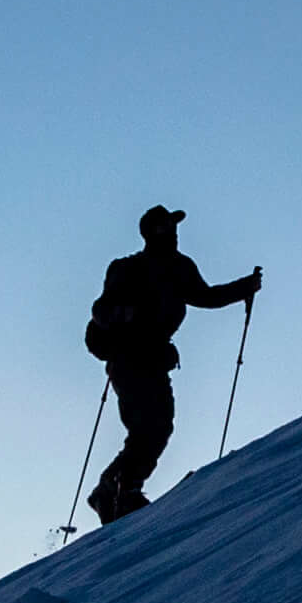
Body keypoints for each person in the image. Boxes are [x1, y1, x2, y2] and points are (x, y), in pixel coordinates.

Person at [81, 206, 258, 522]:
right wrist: (128, 316)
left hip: (153, 359)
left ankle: (112, 488)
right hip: (128, 358)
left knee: (158, 426)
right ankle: (123, 491)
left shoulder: (180, 267)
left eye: (173, 227)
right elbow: (102, 310)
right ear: (152, 233)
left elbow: (206, 296)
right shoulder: (128, 269)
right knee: (147, 426)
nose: (173, 233)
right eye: (167, 227)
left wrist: (244, 288)